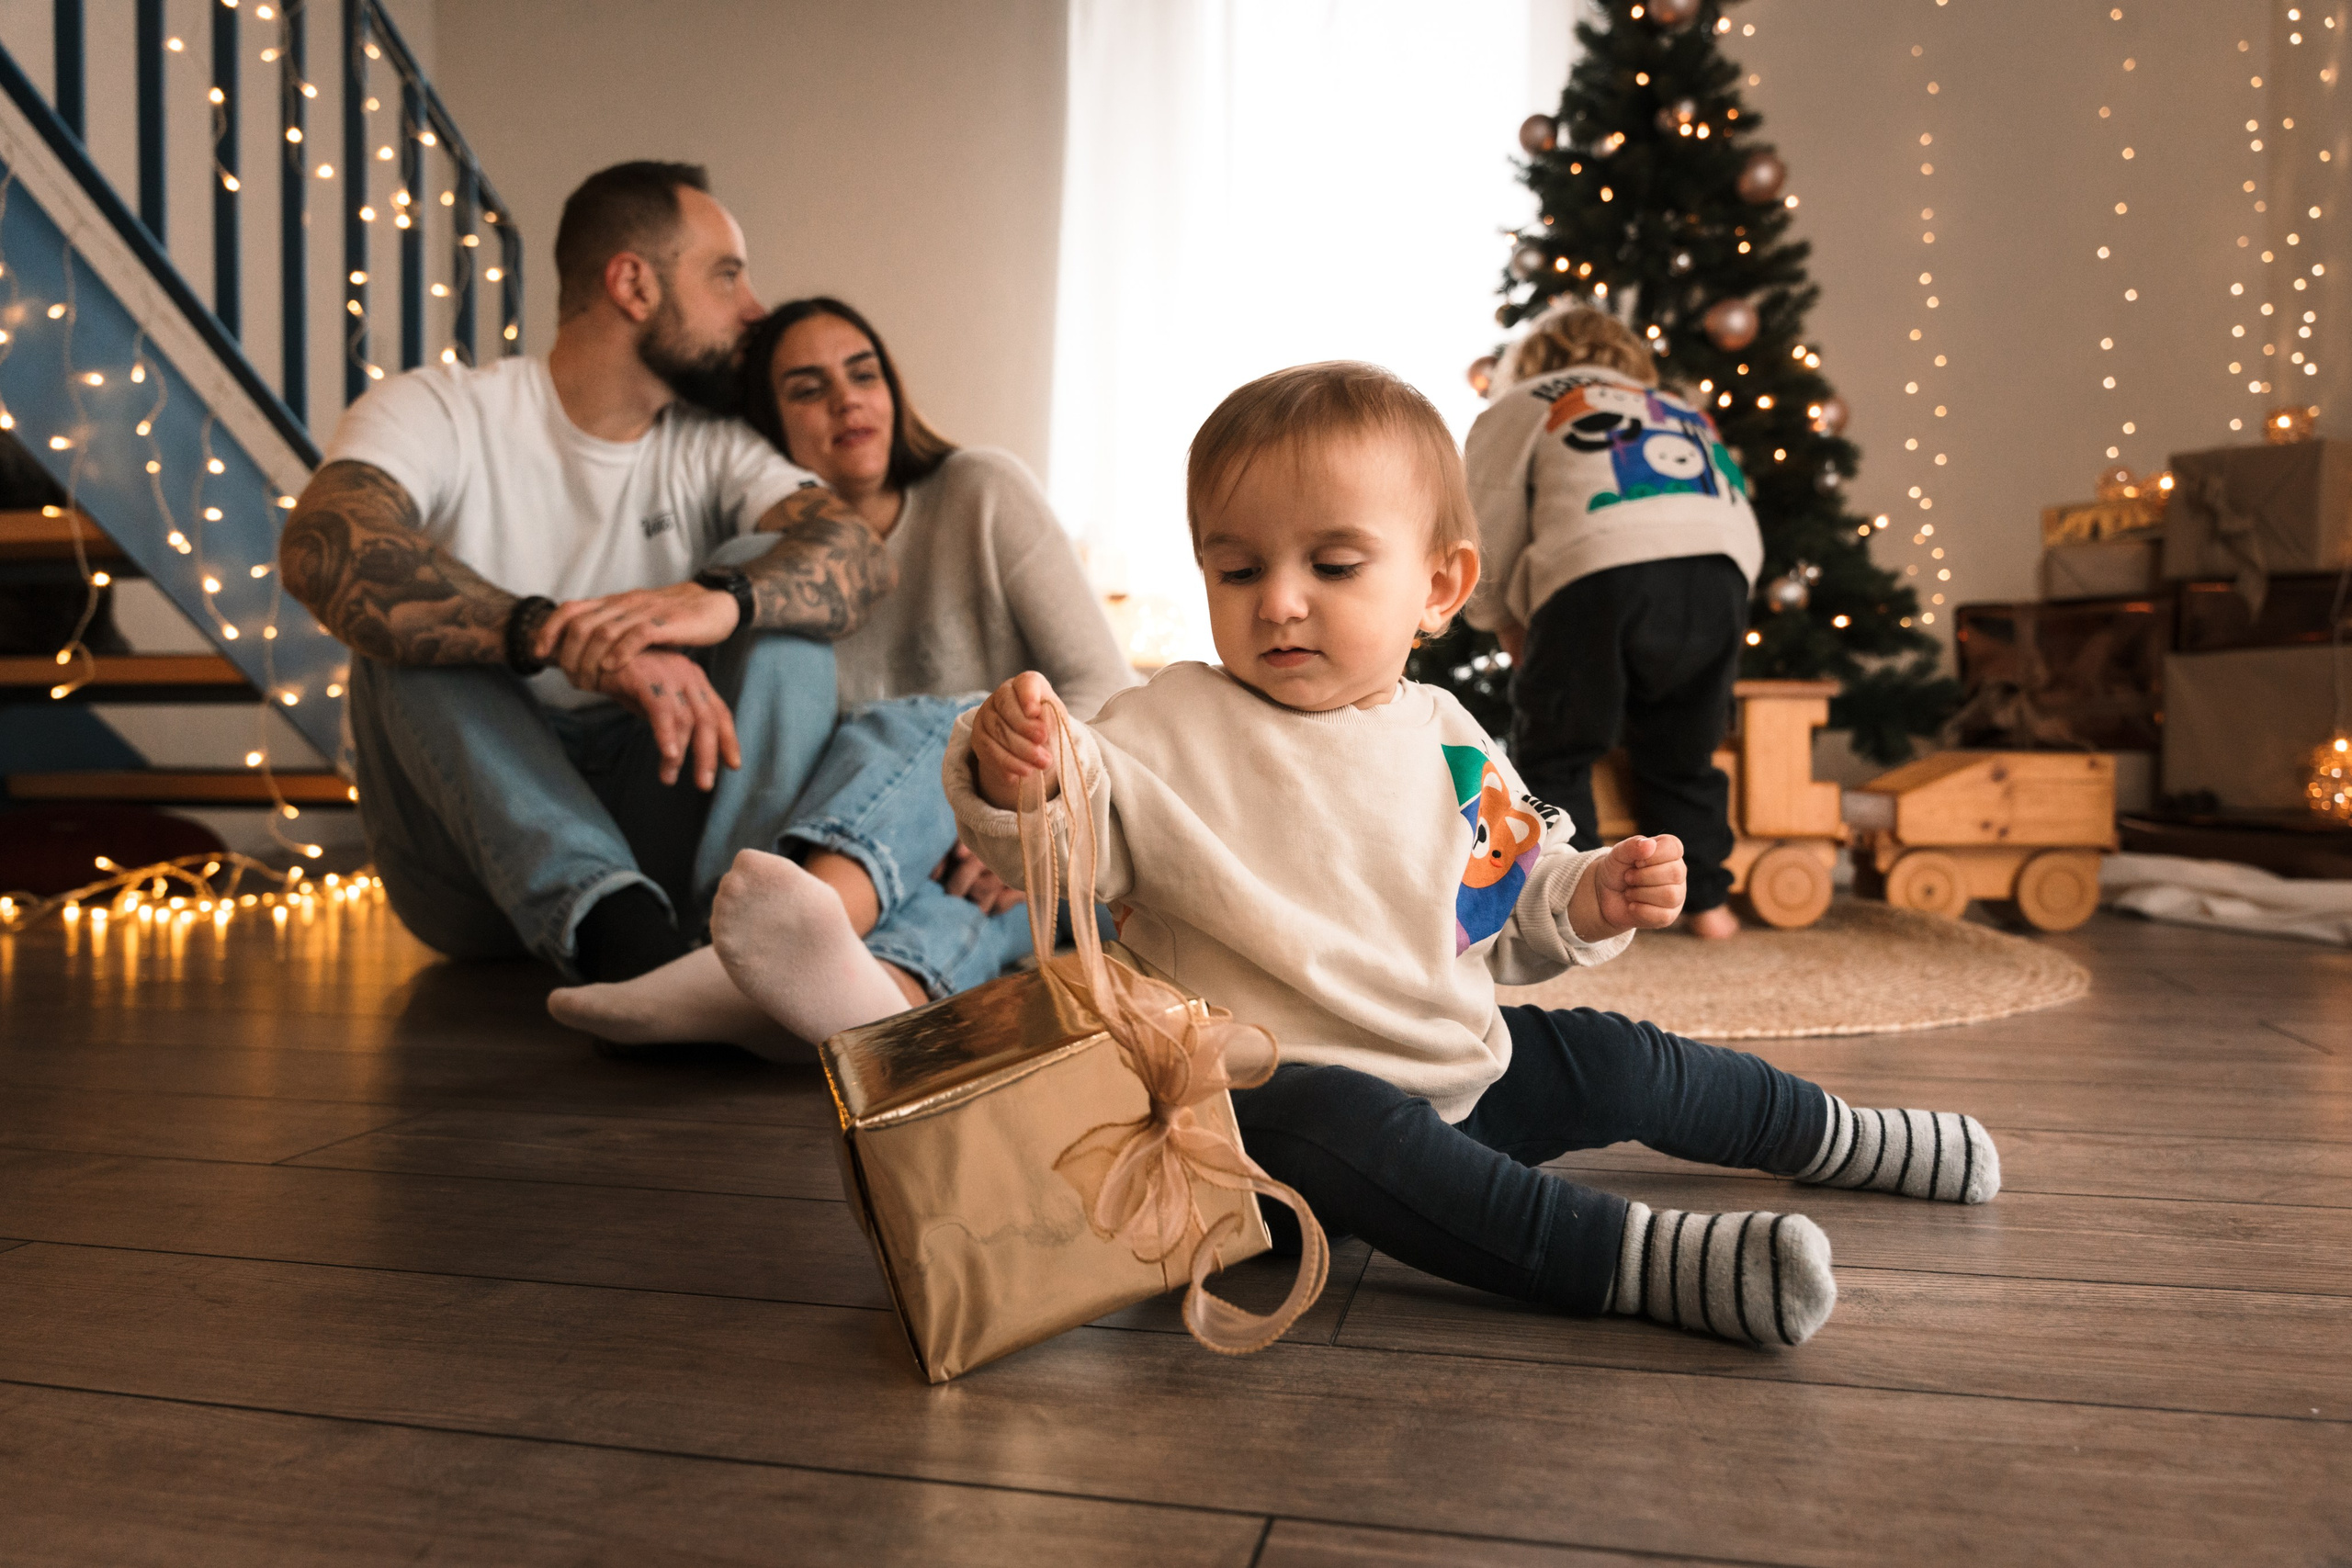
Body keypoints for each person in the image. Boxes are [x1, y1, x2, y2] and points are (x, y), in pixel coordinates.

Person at [925, 362, 1998, 1347]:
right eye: (1237, 567)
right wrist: (1019, 772)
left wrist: (1594, 894)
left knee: (1619, 1057)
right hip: (1256, 1129)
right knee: (1341, 1120)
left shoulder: (1447, 734)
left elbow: (1515, 891)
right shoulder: (1164, 724)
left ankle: (1839, 1134)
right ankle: (1636, 1260)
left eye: (1334, 565)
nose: (1280, 601)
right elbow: (1062, 836)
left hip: (1454, 1072)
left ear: (1439, 589)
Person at [282, 161, 895, 987]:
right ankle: (618, 930)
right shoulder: (440, 410)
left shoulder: (712, 444)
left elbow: (855, 554)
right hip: (468, 870)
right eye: (726, 276)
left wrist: (720, 601)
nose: (754, 308)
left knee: (775, 588)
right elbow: (322, 545)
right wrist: (552, 635)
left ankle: (736, 941)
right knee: (400, 617)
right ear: (634, 284)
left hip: (666, 822)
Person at [541, 298, 1136, 1053]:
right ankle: (847, 1012)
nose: (848, 399)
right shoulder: (755, 564)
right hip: (868, 856)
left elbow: (1107, 693)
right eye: (808, 388)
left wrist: (1020, 821)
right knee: (908, 849)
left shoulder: (980, 491)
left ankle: (736, 974)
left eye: (864, 374)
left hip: (1022, 836)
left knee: (949, 729)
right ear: (768, 428)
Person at [1463, 303, 1763, 940]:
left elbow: (1485, 518)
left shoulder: (1524, 402)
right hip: (1724, 571)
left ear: (1533, 362)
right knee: (1685, 749)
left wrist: (1497, 617)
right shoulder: (1677, 407)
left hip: (1598, 568)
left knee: (1559, 742)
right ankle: (1710, 905)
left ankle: (1574, 907)